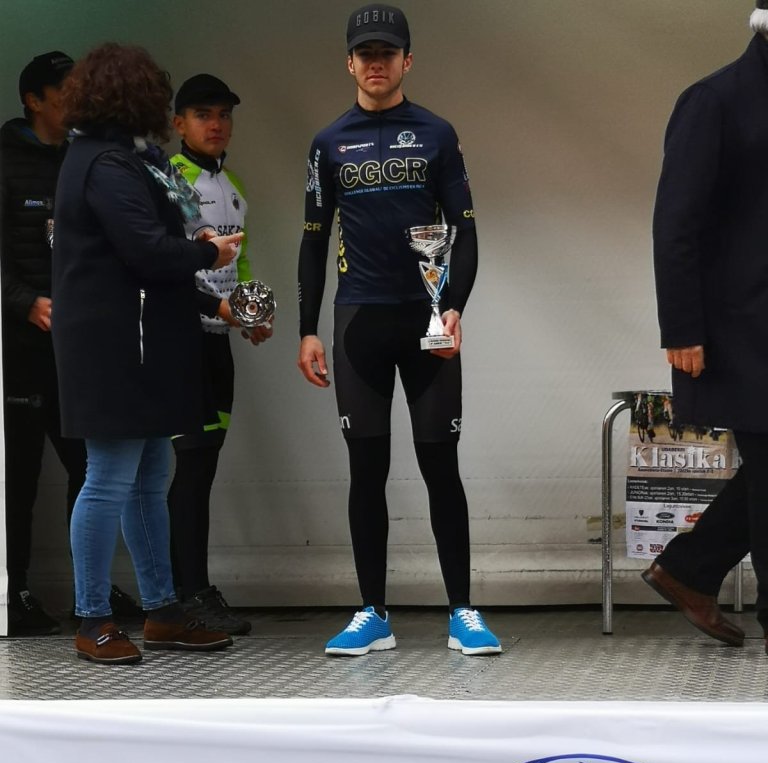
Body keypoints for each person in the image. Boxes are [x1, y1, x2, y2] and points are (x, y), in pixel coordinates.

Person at [297, 4, 501, 656]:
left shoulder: (437, 133)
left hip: (427, 321)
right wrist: (306, 330)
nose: (376, 63)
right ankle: (372, 613)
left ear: (407, 60)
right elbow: (312, 240)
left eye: (388, 52)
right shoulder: (328, 143)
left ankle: (463, 611)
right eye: (366, 53)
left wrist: (454, 305)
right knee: (367, 470)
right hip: (358, 322)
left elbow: (465, 229)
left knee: (441, 464)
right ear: (349, 63)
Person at [51, 43, 244, 664]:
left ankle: (162, 612)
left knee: (150, 477)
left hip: (139, 340)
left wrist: (211, 299)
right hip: (113, 346)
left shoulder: (124, 158)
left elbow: (146, 253)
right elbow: (147, 250)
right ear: (133, 97)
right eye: (157, 94)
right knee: (109, 479)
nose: (162, 105)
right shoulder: (106, 163)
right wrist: (209, 253)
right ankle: (92, 619)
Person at [0, 51, 142, 637]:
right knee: (19, 476)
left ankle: (93, 589)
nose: (76, 102)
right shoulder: (4, 159)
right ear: (34, 100)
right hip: (19, 348)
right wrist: (26, 303)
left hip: (79, 346)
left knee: (91, 468)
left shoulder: (86, 158)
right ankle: (14, 592)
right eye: (64, 93)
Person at [642, 2, 768, 652]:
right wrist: (682, 328)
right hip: (740, 329)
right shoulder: (714, 101)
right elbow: (675, 222)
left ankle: (689, 569)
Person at [168, 74, 272, 636]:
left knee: (203, 466)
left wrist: (251, 313)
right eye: (203, 114)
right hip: (181, 340)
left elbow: (240, 262)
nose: (216, 124)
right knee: (188, 469)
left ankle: (195, 590)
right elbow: (165, 263)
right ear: (178, 123)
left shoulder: (232, 184)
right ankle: (184, 596)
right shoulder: (169, 179)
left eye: (224, 114)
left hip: (219, 341)